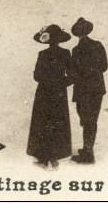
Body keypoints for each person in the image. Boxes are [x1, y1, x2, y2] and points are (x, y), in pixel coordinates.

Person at [27, 24, 72, 169]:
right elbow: (72, 75)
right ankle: (55, 156)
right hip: (59, 93)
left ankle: (43, 157)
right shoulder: (65, 53)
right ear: (59, 40)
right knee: (58, 121)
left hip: (44, 92)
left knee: (43, 121)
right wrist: (60, 83)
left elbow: (36, 75)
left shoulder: (43, 54)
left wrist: (47, 81)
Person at [68, 18, 107, 164]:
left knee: (85, 119)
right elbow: (104, 66)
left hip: (82, 89)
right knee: (92, 119)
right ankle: (87, 148)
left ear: (77, 34)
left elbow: (72, 71)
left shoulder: (76, 50)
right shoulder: (98, 45)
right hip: (97, 88)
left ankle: (88, 153)